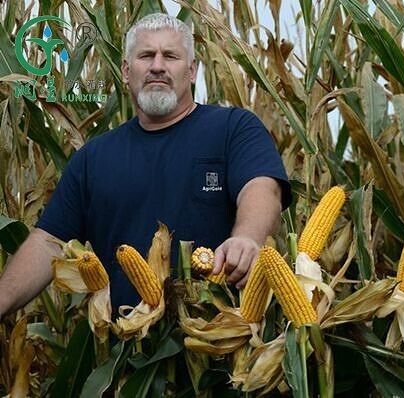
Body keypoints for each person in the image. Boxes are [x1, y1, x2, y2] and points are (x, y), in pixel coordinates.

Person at [0, 13, 291, 318]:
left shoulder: (233, 128)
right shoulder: (94, 157)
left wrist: (247, 238)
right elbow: (49, 243)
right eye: (146, 56)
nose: (157, 66)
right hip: (129, 354)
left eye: (170, 56)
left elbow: (261, 188)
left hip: (224, 345)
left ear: (191, 71)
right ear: (126, 71)